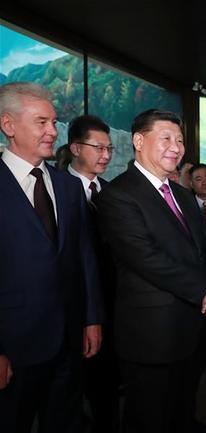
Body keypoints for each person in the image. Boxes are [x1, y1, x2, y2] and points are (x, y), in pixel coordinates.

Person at [97, 109, 206, 433]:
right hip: (151, 334)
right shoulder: (118, 195)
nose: (177, 147)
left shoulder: (182, 194)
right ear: (139, 141)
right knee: (149, 417)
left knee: (183, 408)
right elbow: (145, 258)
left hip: (193, 324)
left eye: (180, 140)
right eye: (167, 138)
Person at [0, 82, 103, 433]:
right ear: (8, 125)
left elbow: (85, 258)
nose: (53, 131)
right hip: (14, 348)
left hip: (69, 342)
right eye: (42, 122)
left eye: (54, 122)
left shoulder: (67, 186)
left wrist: (91, 319)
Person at [67, 114, 120, 433]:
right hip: (75, 307)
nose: (106, 154)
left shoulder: (112, 193)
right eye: (98, 146)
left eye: (109, 147)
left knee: (107, 384)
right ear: (75, 147)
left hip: (113, 304)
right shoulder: (56, 191)